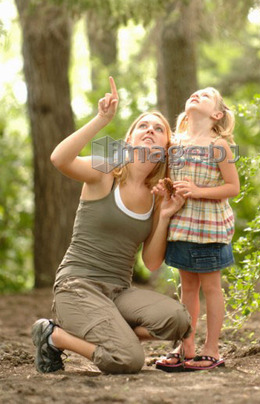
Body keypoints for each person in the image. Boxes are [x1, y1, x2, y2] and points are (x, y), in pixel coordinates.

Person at [31, 77, 191, 375]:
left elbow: (152, 261)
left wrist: (167, 213)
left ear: (165, 148)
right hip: (77, 286)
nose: (150, 130)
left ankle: (113, 332)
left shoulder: (158, 196)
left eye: (159, 129)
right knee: (128, 360)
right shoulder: (105, 170)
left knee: (179, 320)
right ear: (130, 139)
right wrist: (101, 119)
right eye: (143, 125)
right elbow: (59, 158)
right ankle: (54, 335)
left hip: (119, 293)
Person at [154, 87, 240, 372]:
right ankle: (186, 345)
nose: (195, 95)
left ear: (216, 114)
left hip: (209, 228)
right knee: (187, 288)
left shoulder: (219, 146)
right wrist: (164, 191)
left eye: (205, 96)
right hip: (181, 228)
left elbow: (233, 188)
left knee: (211, 287)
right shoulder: (174, 145)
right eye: (194, 93)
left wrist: (198, 190)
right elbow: (171, 181)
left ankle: (211, 348)